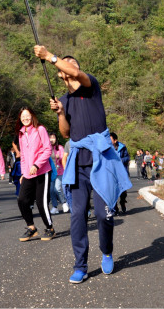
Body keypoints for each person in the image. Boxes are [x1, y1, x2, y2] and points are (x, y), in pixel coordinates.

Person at [34, 45, 131, 284]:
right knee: (77, 215)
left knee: (103, 213)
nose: (70, 67)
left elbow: (77, 74)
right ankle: (81, 265)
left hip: (101, 161)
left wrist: (50, 57)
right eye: (65, 65)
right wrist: (59, 113)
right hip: (78, 164)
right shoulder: (64, 100)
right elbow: (66, 134)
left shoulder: (91, 87)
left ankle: (107, 250)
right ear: (60, 75)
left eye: (72, 63)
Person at [16, 107, 55, 241]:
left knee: (41, 202)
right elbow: (23, 156)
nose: (25, 118)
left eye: (27, 116)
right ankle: (31, 228)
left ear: (32, 116)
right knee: (22, 200)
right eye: (23, 116)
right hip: (28, 173)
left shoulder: (40, 129)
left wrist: (37, 164)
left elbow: (47, 149)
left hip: (42, 171)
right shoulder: (21, 134)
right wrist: (23, 173)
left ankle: (50, 228)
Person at [110, 132, 130, 214]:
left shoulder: (122, 147)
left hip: (122, 172)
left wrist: (120, 161)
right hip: (112, 172)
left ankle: (122, 202)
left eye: (110, 139)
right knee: (113, 190)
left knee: (123, 190)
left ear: (115, 140)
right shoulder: (107, 148)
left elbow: (127, 157)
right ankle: (115, 208)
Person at [49, 132, 69, 214]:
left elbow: (64, 158)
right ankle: (55, 207)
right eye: (50, 137)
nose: (52, 139)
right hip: (50, 172)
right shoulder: (47, 148)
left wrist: (59, 158)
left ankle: (64, 203)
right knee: (51, 190)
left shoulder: (60, 148)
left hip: (59, 171)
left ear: (56, 139)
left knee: (57, 188)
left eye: (53, 137)